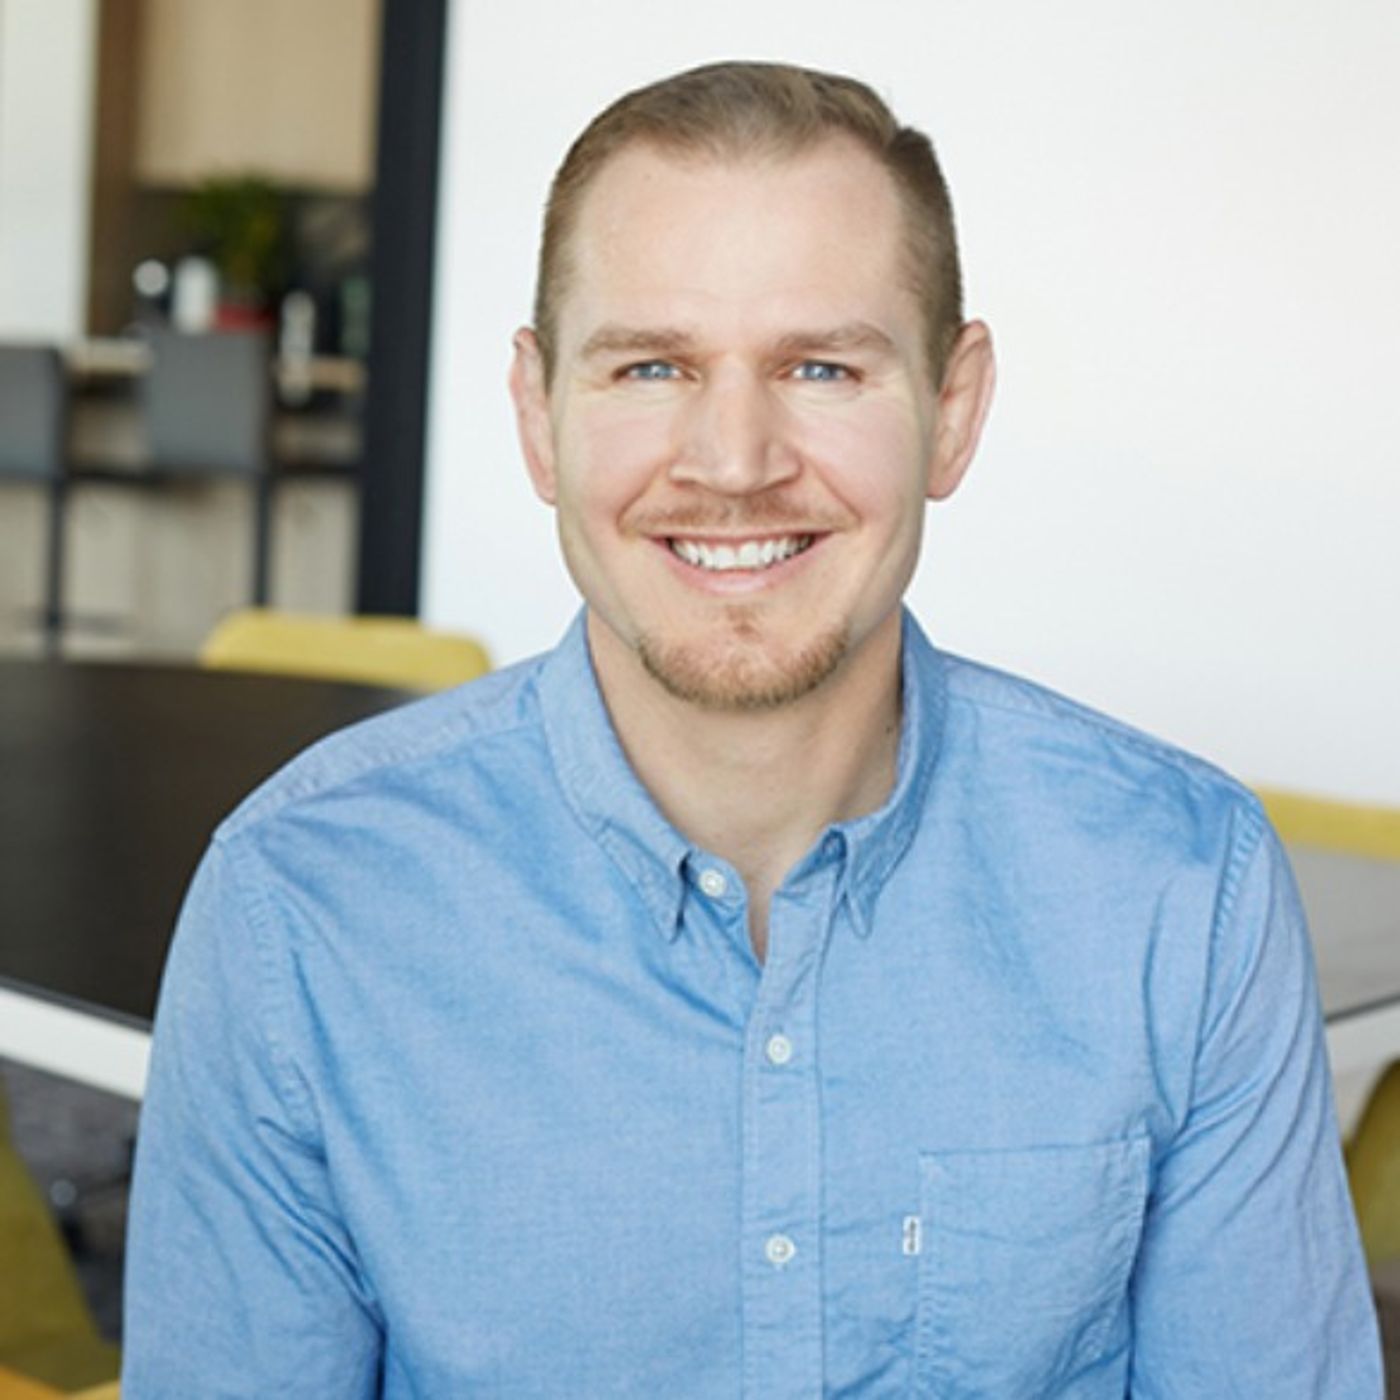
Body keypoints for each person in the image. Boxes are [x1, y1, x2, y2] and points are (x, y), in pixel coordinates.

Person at [122, 61, 1381, 1396]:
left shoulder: (1183, 890)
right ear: (538, 418)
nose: (734, 462)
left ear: (952, 413)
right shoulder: (299, 906)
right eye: (652, 366)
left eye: (821, 366)